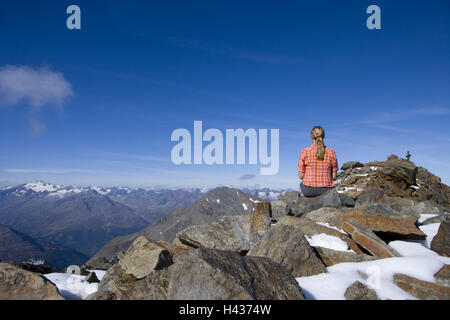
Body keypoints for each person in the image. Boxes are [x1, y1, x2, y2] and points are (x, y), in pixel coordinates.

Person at [297, 126, 338, 197]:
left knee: (301, 184)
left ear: (311, 137)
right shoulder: (331, 152)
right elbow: (334, 177)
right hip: (327, 189)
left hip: (309, 190)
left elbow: (301, 176)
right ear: (323, 136)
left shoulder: (305, 151)